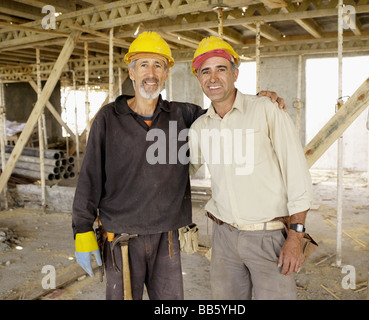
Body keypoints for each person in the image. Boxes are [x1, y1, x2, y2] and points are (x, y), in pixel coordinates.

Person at [71, 31, 285, 300]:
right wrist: (82, 229)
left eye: (158, 65)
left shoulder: (183, 114)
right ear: (131, 71)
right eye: (143, 65)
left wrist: (258, 100)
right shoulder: (108, 117)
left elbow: (225, 113)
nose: (151, 73)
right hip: (121, 238)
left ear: (166, 74)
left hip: (167, 237)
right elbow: (89, 177)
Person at [188, 36, 313, 300]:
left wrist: (296, 236)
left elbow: (297, 175)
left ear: (235, 73)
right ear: (198, 79)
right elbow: (181, 171)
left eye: (221, 69)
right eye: (205, 71)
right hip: (224, 238)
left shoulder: (267, 110)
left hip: (269, 238)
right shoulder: (200, 127)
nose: (213, 78)